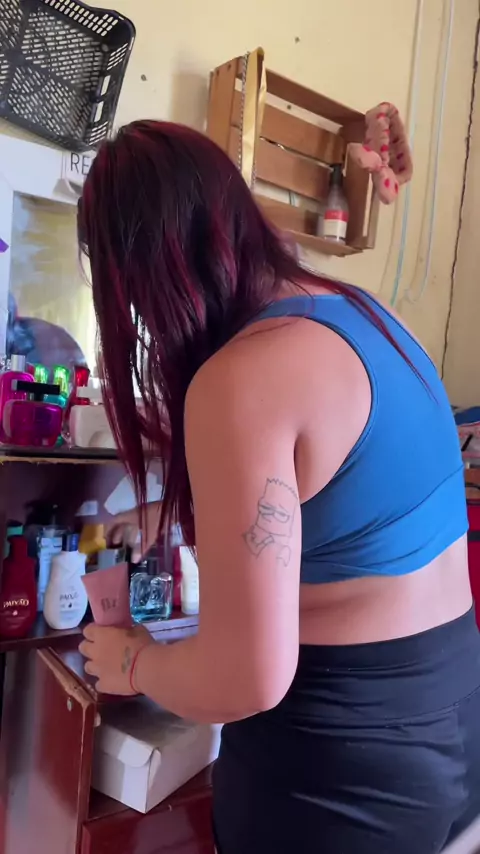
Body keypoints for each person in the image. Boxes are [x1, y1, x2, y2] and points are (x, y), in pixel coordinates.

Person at [78, 120, 479, 854]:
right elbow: (345, 508)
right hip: (452, 714)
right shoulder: (370, 315)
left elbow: (246, 678)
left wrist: (132, 662)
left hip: (337, 767)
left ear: (138, 276)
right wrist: (173, 514)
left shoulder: (242, 377)